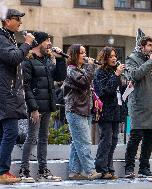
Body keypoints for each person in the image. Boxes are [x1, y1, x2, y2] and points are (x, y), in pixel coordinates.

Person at [0, 9, 35, 184]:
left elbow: (14, 57)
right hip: (5, 92)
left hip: (7, 91)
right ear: (7, 21)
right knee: (11, 131)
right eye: (17, 19)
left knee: (4, 133)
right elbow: (14, 57)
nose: (20, 23)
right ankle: (3, 171)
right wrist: (27, 44)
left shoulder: (6, 37)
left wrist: (24, 49)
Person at [19, 31, 66, 182]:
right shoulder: (28, 61)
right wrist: (33, 108)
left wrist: (60, 60)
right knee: (31, 137)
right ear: (39, 42)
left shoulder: (47, 60)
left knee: (43, 138)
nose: (50, 43)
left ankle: (42, 170)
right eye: (47, 40)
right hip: (36, 107)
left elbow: (60, 77)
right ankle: (24, 170)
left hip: (47, 104)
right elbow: (25, 86)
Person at [124, 36, 152, 178]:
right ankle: (129, 168)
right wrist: (150, 62)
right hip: (139, 105)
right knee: (135, 137)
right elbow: (135, 75)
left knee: (150, 138)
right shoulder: (132, 59)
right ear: (142, 46)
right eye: (149, 45)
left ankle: (144, 167)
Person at [63, 44, 102, 180]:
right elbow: (85, 82)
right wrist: (90, 66)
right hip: (75, 110)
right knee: (84, 142)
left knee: (77, 142)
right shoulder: (72, 70)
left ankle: (74, 171)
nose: (85, 55)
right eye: (81, 53)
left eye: (85, 52)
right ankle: (90, 171)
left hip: (84, 110)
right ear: (74, 55)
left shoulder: (80, 70)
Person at [93, 47, 125, 179]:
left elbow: (117, 92)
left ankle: (109, 168)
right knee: (106, 139)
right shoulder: (100, 72)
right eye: (111, 56)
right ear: (105, 58)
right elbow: (104, 91)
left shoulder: (114, 72)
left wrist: (126, 87)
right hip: (105, 111)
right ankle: (101, 168)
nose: (114, 58)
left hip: (116, 110)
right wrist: (116, 75)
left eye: (115, 56)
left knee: (113, 140)